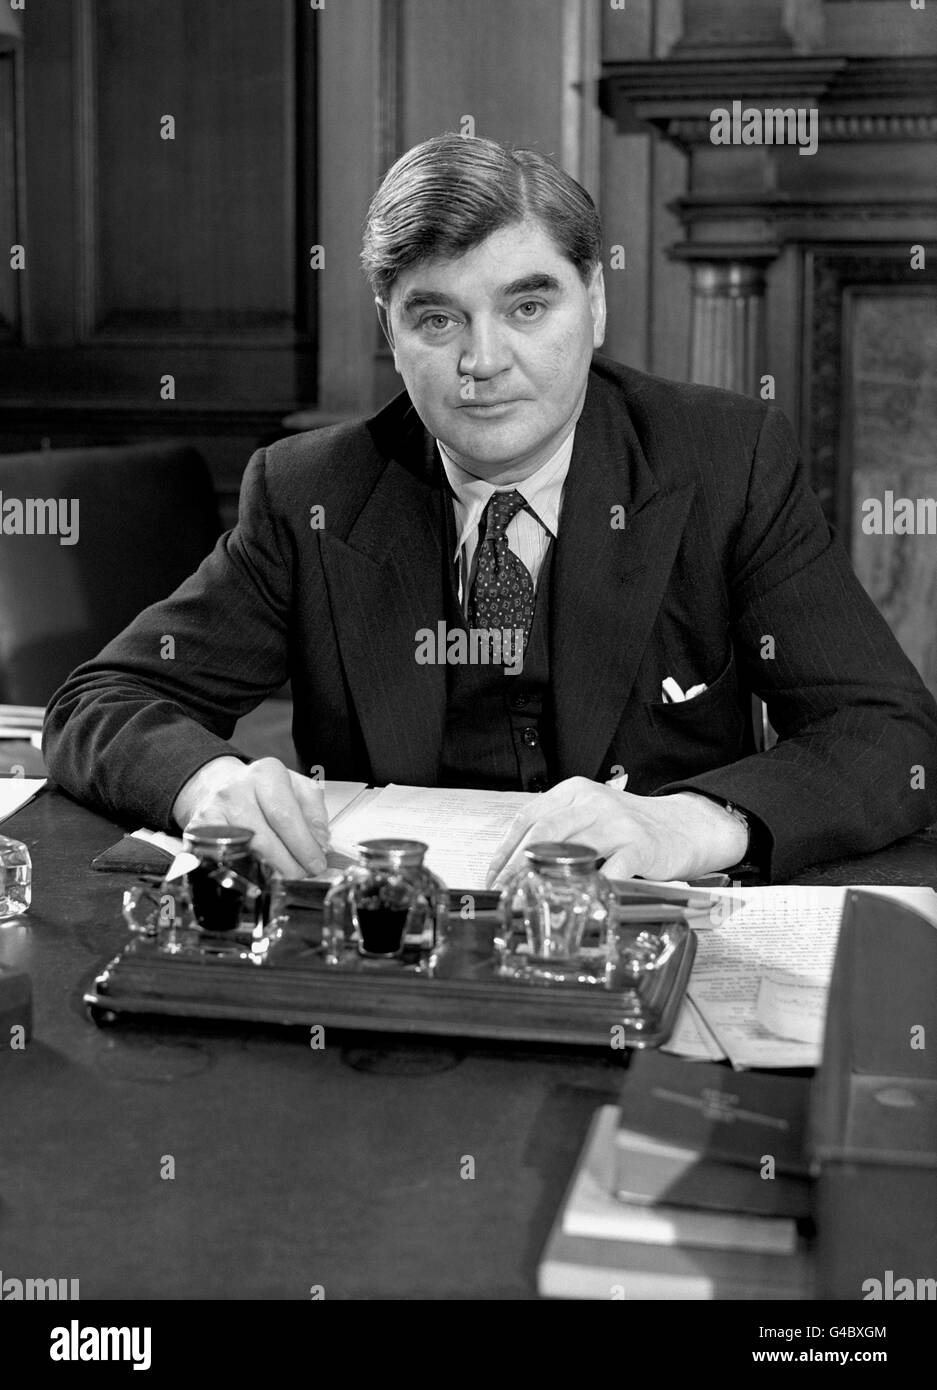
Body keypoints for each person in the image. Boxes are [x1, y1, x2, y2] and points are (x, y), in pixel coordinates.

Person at [43, 133, 937, 885]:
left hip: (642, 939)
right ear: (389, 332)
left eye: (527, 305)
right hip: (399, 955)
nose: (483, 359)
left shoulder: (724, 461)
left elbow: (887, 734)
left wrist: (692, 826)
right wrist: (206, 782)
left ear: (594, 301)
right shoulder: (310, 491)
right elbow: (103, 700)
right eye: (436, 319)